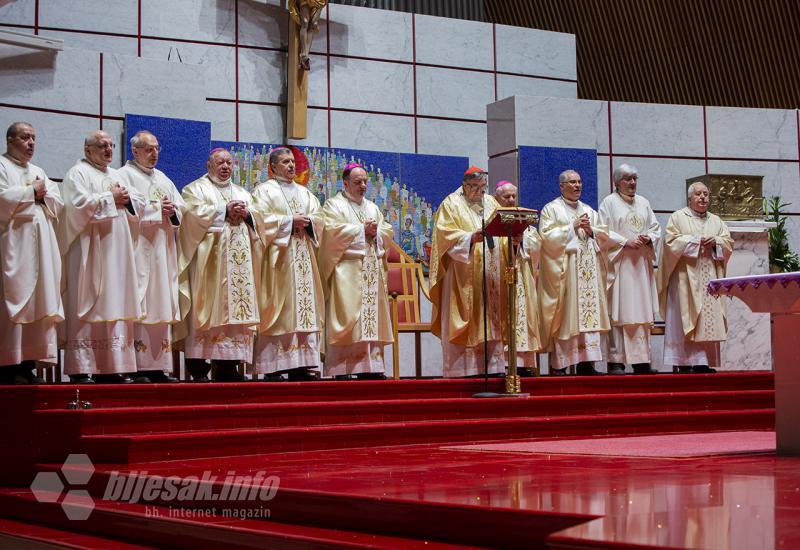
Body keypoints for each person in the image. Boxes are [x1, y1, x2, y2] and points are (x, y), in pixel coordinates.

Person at [59, 130, 141, 384]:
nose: (108, 150)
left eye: (110, 145)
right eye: (102, 145)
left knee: (116, 301)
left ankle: (113, 366)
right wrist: (110, 198)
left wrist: (126, 200)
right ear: (87, 149)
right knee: (88, 300)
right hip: (89, 250)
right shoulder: (78, 173)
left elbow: (135, 201)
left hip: (116, 250)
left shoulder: (115, 175)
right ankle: (83, 368)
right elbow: (75, 207)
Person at [177, 148, 260, 382]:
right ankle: (198, 364)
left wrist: (247, 214)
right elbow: (190, 216)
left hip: (239, 265)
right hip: (209, 264)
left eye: (229, 163)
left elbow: (258, 221)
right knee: (208, 307)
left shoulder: (243, 192)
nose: (225, 167)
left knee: (236, 310)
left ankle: (228, 364)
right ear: (208, 165)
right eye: (220, 163)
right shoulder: (195, 189)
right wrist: (224, 210)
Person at [251, 147, 324, 382]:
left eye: (292, 161)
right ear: (273, 167)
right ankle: (274, 365)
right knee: (280, 310)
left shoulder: (306, 193)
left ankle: (302, 364)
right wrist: (288, 222)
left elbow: (320, 219)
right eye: (285, 162)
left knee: (304, 310)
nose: (291, 166)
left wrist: (309, 222)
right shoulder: (263, 192)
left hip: (303, 256)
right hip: (279, 260)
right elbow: (259, 221)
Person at [117, 131, 183, 383]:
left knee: (160, 303)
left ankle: (158, 366)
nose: (154, 153)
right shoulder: (123, 176)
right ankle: (135, 365)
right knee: (141, 302)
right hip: (139, 250)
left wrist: (173, 210)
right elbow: (127, 209)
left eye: (157, 148)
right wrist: (158, 209)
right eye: (149, 149)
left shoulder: (163, 178)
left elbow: (180, 208)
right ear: (135, 151)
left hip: (162, 251)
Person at [0, 122, 63, 384]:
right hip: (14, 246)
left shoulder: (38, 171)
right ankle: (7, 365)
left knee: (38, 303)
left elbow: (58, 202)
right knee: (14, 301)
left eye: (34, 138)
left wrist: (42, 194)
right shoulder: (2, 166)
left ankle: (27, 363)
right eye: (25, 138)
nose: (31, 143)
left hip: (40, 250)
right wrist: (30, 192)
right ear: (10, 140)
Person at [318, 163, 393, 380]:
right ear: (345, 183)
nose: (362, 186)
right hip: (346, 273)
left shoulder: (372, 208)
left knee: (371, 319)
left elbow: (386, 231)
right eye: (357, 182)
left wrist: (376, 232)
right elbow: (330, 233)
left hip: (370, 270)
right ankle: (343, 368)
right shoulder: (334, 205)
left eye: (365, 182)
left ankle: (371, 366)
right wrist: (361, 230)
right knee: (349, 318)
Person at [429, 166, 504, 378]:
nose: (480, 192)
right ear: (464, 184)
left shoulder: (491, 203)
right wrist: (470, 238)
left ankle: (493, 367)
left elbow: (501, 231)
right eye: (475, 187)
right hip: (462, 274)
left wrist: (514, 240)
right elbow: (444, 236)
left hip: (490, 273)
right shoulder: (451, 204)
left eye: (483, 187)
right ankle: (464, 370)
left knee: (490, 317)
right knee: (466, 317)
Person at [538, 170, 612, 376]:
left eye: (579, 182)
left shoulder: (589, 210)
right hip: (567, 272)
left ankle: (587, 363)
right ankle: (560, 363)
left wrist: (591, 231)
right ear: (562, 186)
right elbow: (546, 239)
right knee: (567, 315)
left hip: (588, 272)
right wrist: (572, 226)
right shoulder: (551, 209)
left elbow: (604, 237)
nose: (577, 185)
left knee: (589, 315)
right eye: (572, 182)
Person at [657, 182, 733, 374]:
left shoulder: (716, 221)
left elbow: (728, 244)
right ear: (689, 198)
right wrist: (695, 241)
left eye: (706, 194)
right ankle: (683, 362)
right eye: (698, 194)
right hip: (685, 279)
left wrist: (716, 242)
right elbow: (670, 242)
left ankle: (702, 362)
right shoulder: (678, 217)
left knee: (707, 319)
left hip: (709, 279)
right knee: (685, 316)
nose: (702, 198)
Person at [599, 164, 661, 375]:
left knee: (641, 310)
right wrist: (624, 242)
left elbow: (655, 228)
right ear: (617, 183)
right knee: (621, 310)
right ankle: (616, 360)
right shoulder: (609, 203)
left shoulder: (643, 203)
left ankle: (642, 360)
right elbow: (601, 232)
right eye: (627, 179)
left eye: (635, 178)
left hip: (641, 266)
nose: (632, 183)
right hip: (621, 264)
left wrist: (649, 238)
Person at [494, 180, 541, 376]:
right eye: (506, 197)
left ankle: (524, 363)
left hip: (522, 276)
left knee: (523, 316)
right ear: (497, 198)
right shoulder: (493, 220)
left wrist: (521, 242)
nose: (511, 200)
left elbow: (537, 245)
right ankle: (504, 363)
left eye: (514, 196)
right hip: (499, 278)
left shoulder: (524, 220)